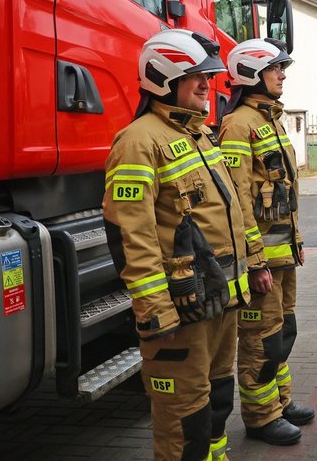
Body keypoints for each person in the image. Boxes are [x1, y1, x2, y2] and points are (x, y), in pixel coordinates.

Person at [102, 29, 253, 461]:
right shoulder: (137, 142)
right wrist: (155, 310)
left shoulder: (200, 134)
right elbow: (132, 235)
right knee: (184, 414)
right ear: (164, 78)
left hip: (218, 299)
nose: (208, 86)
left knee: (218, 393)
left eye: (208, 77)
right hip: (181, 309)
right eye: (196, 77)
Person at [219, 39, 314, 446]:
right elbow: (238, 199)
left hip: (282, 257)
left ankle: (280, 401)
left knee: (283, 332)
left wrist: (294, 242)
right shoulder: (238, 124)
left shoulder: (269, 120)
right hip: (262, 263)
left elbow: (282, 193)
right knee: (261, 340)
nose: (283, 74)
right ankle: (260, 418)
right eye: (275, 68)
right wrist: (254, 262)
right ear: (253, 73)